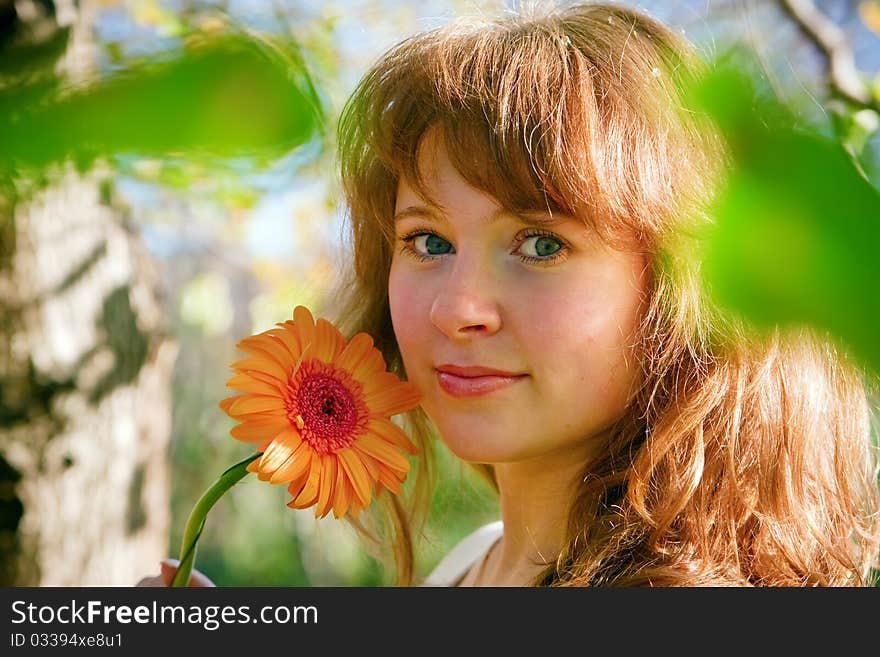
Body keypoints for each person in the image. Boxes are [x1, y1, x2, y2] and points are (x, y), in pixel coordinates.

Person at [140, 1, 880, 587]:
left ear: (691, 287)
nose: (457, 308)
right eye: (428, 241)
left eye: (542, 243)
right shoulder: (476, 559)